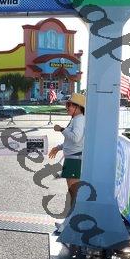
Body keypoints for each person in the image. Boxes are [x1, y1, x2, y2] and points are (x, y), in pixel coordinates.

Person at [48, 93, 85, 232]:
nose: (67, 107)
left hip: (75, 160)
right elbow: (71, 141)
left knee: (74, 194)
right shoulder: (76, 119)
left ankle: (70, 224)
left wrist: (61, 129)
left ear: (78, 107)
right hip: (72, 159)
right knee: (73, 193)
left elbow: (75, 138)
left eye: (69, 105)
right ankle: (70, 223)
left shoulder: (79, 119)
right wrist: (58, 147)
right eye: (67, 105)